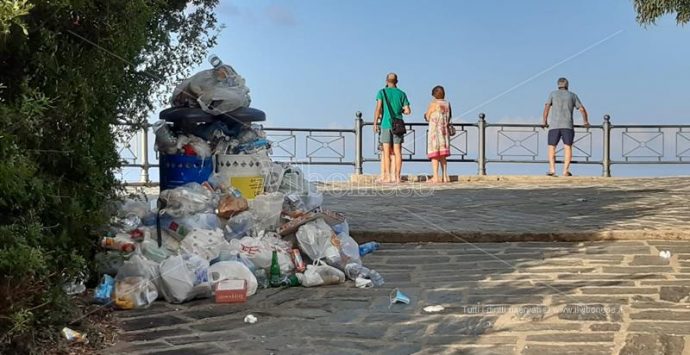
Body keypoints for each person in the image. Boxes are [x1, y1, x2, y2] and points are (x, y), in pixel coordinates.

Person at [542, 77, 590, 177]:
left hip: (554, 125)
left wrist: (544, 121)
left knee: (551, 147)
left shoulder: (552, 94)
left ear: (558, 85)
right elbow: (581, 109)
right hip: (567, 125)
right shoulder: (572, 95)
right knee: (567, 147)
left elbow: (546, 107)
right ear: (567, 85)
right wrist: (585, 121)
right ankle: (565, 171)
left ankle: (552, 169)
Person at [373, 73, 411, 183]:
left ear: (386, 81)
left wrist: (375, 123)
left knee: (386, 152)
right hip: (398, 125)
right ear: (397, 81)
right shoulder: (402, 94)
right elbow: (408, 111)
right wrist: (400, 110)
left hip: (385, 124)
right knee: (397, 151)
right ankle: (397, 177)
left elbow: (378, 108)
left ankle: (387, 177)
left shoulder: (382, 92)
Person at [425, 85, 452, 183]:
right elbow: (449, 117)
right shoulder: (447, 103)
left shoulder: (433, 103)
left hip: (435, 132)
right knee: (443, 155)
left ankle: (436, 177)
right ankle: (445, 176)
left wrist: (427, 114)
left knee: (435, 155)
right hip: (444, 132)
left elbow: (427, 117)